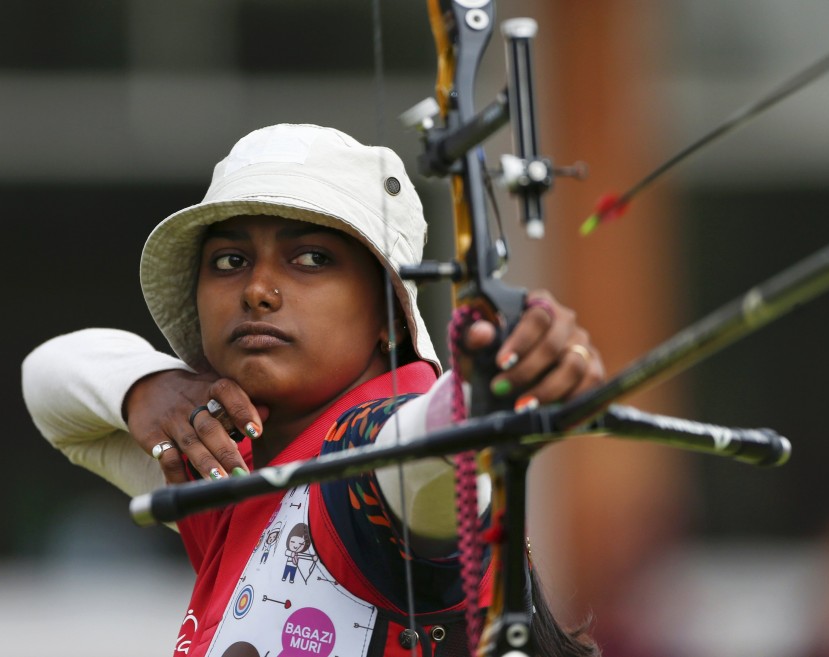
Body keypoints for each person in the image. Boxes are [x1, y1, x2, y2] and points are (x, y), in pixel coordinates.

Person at [22, 124, 604, 657]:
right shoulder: (223, 456)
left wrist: (485, 389)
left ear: (390, 315)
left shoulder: (370, 455)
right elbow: (47, 378)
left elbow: (421, 448)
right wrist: (148, 388)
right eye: (230, 260)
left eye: (312, 258)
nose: (258, 289)